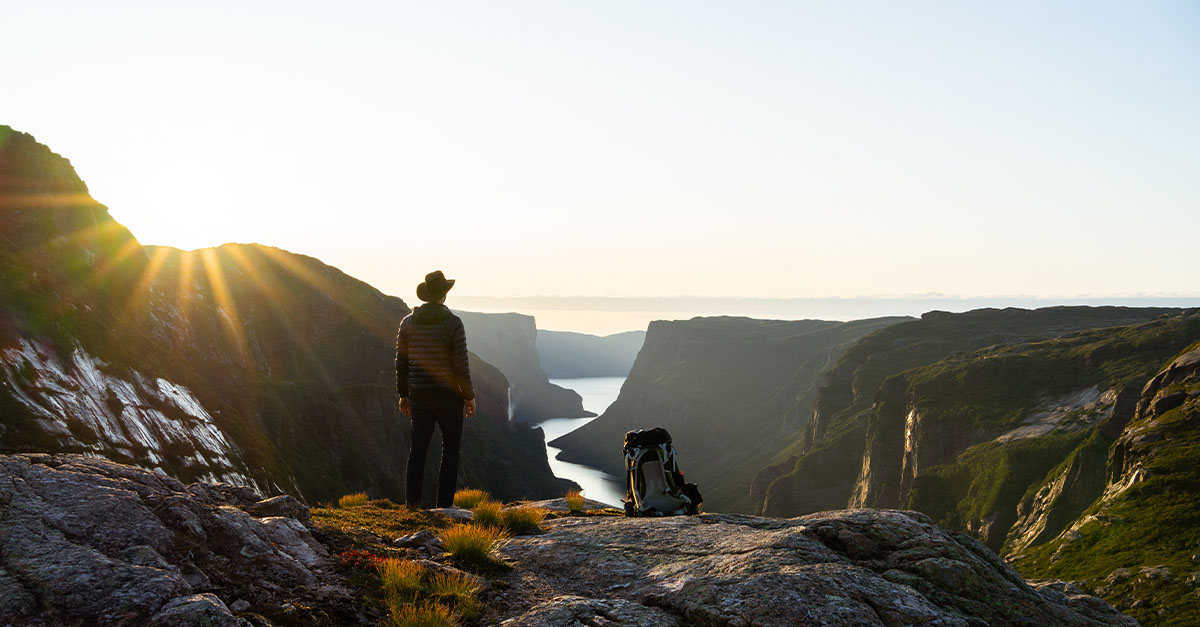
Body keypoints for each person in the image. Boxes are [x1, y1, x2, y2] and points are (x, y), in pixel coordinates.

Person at [395, 270, 477, 508]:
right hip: (449, 397)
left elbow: (401, 362)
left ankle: (412, 504)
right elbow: (460, 365)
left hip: (420, 395)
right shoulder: (453, 323)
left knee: (418, 450)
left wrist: (403, 394)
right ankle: (444, 507)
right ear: (444, 295)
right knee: (450, 450)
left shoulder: (407, 323)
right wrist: (469, 396)